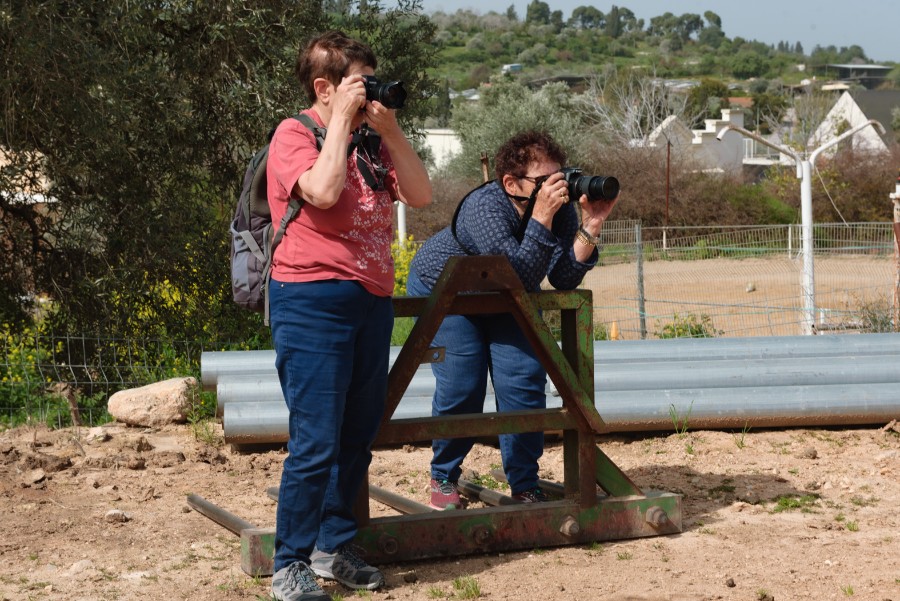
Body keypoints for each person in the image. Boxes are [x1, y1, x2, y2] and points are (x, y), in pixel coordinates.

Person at [266, 30, 432, 601]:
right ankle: (289, 564)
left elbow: (422, 194)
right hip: (310, 299)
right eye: (358, 84)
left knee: (357, 434)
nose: (368, 96)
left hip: (370, 300)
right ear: (325, 87)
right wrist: (338, 121)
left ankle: (333, 548)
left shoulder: (373, 141)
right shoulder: (294, 134)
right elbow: (323, 188)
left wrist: (388, 129)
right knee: (314, 440)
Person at [406, 130, 617, 510]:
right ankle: (443, 477)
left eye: (561, 176)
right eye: (545, 181)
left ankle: (524, 482)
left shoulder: (560, 210)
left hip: (506, 298)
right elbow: (514, 275)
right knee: (461, 385)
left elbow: (563, 277)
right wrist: (541, 218)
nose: (557, 188)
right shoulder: (483, 208)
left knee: (523, 379)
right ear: (511, 183)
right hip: (446, 292)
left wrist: (591, 224)